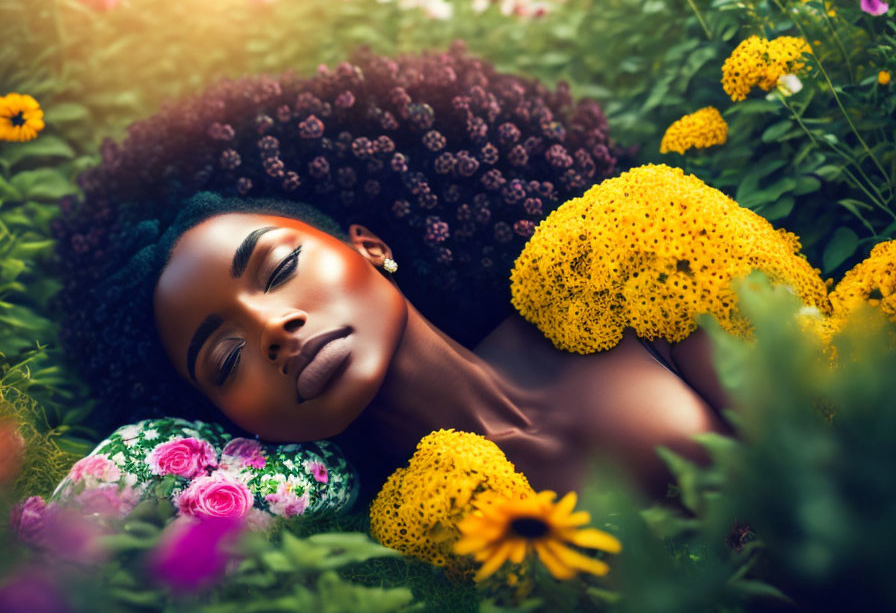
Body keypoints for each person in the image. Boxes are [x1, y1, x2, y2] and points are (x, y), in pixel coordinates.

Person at [52, 44, 730, 502]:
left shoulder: (613, 290)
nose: (273, 330)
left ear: (369, 246)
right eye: (226, 360)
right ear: (239, 422)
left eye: (280, 266)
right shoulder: (396, 552)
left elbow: (826, 413)